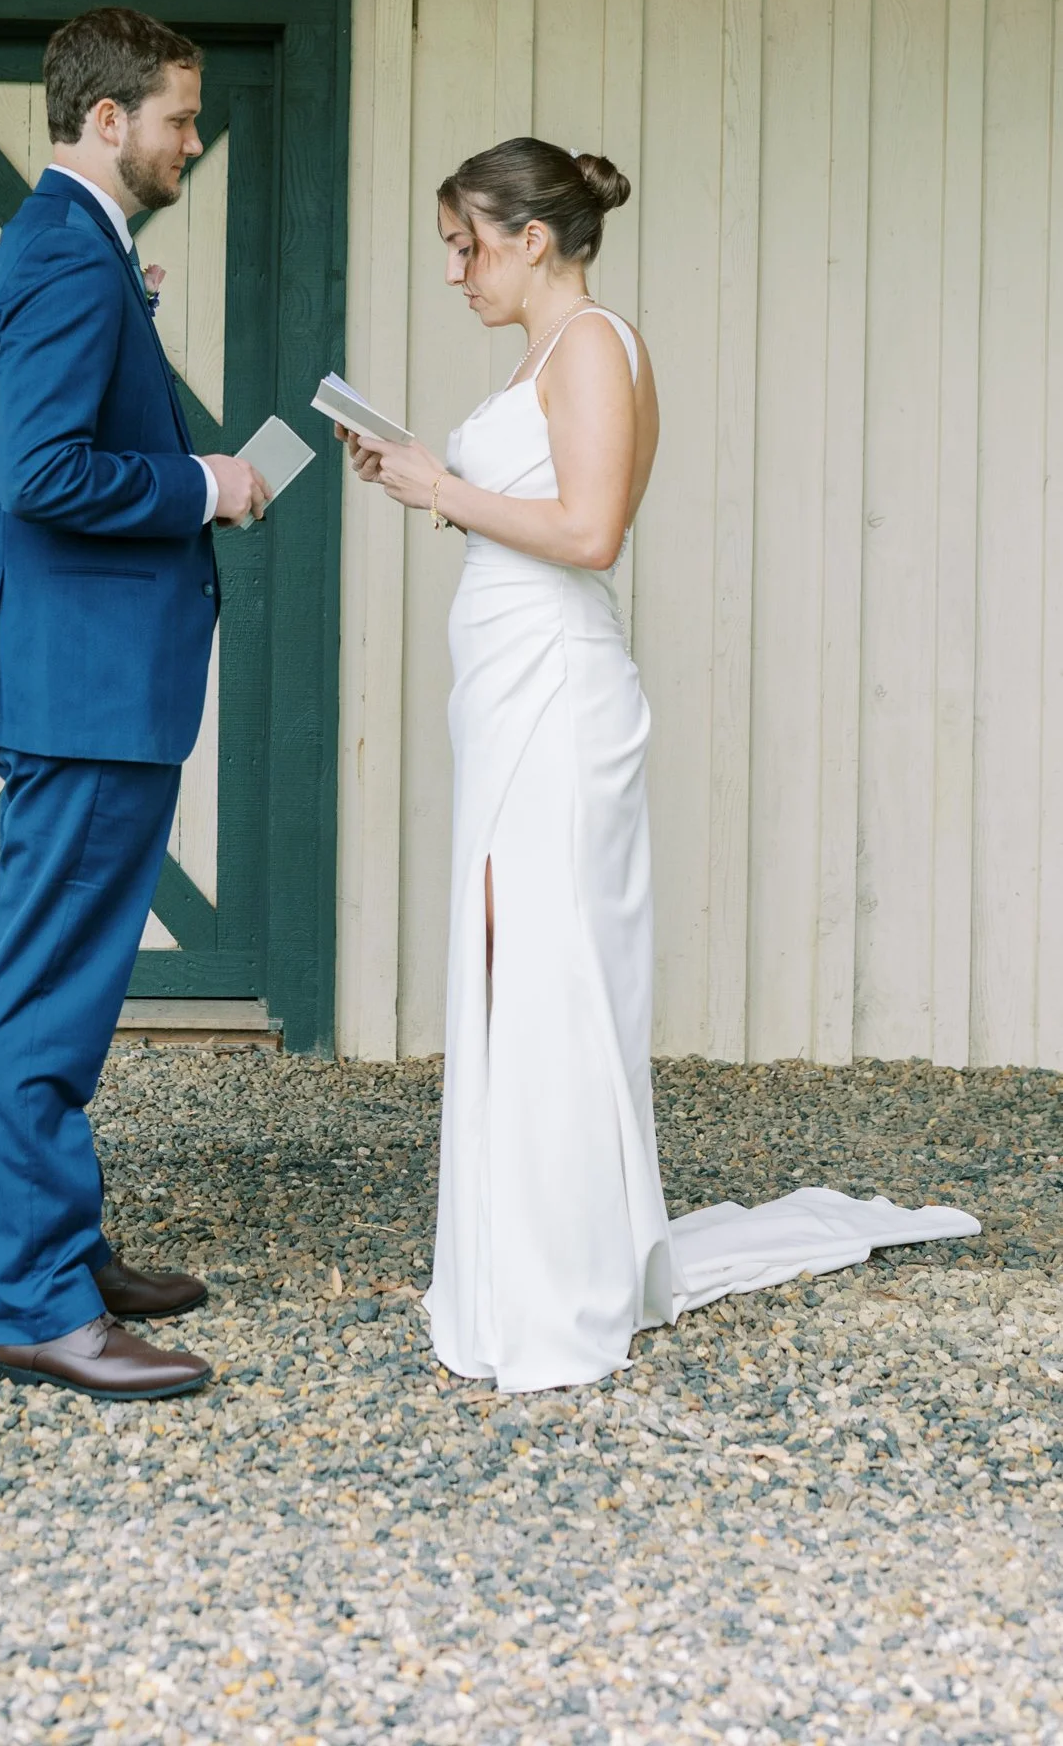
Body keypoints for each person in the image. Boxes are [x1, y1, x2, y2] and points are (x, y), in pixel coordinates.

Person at [343, 138, 979, 1393]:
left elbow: (591, 530)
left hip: (558, 692)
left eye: (469, 243)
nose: (458, 270)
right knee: (505, 957)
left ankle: (556, 1275)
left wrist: (440, 486)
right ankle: (513, 1248)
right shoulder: (547, 354)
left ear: (536, 237)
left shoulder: (591, 346)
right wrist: (425, 480)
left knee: (544, 959)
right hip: (510, 687)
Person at [0, 6, 268, 1403]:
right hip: (79, 688)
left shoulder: (73, 248)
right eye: (181, 118)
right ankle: (38, 1309)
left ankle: (62, 1251)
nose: (195, 139)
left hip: (77, 677)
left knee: (63, 980)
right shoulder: (69, 257)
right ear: (109, 119)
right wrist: (207, 482)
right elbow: (44, 476)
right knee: (49, 995)